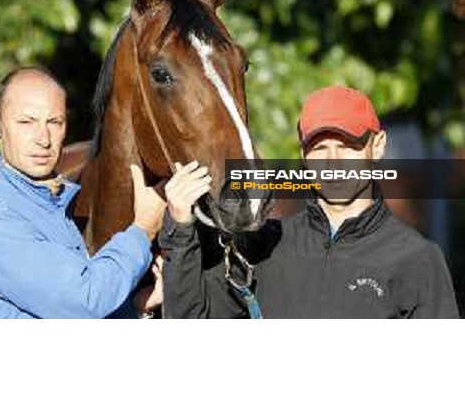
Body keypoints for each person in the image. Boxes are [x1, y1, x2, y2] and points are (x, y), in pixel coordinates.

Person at [160, 85, 460, 318]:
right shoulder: (264, 245)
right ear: (303, 155)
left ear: (377, 146)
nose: (333, 162)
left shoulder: (417, 259)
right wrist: (181, 227)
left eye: (346, 146)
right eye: (320, 148)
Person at [0, 66, 165, 318]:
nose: (43, 138)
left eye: (54, 122)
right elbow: (85, 300)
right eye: (26, 122)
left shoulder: (51, 205)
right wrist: (143, 229)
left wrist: (135, 306)